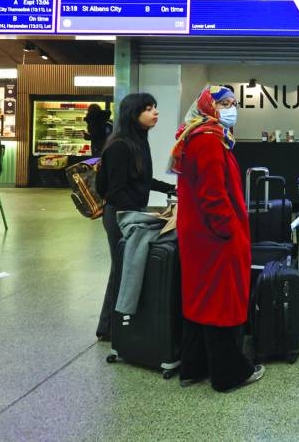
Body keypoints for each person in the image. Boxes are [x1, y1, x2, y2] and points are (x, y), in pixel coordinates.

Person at [169, 85, 264, 392]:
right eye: (223, 103)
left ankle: (193, 368)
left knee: (198, 300)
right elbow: (213, 196)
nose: (231, 108)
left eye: (234, 103)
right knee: (222, 302)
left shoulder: (192, 135)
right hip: (215, 237)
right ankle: (229, 373)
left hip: (196, 234)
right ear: (208, 106)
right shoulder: (209, 141)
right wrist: (229, 231)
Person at [93, 93, 175, 341]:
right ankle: (107, 328)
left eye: (154, 107)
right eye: (148, 109)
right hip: (120, 215)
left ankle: (114, 326)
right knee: (121, 268)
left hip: (131, 212)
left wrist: (170, 189)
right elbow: (115, 189)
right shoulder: (120, 145)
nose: (155, 113)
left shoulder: (138, 141)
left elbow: (141, 179)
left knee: (125, 266)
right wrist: (141, 215)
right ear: (133, 114)